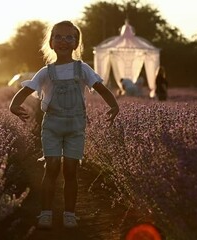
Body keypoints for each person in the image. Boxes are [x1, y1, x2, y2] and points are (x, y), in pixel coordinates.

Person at [9, 20, 119, 229]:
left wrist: (114, 105)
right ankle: (46, 212)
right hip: (52, 125)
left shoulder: (82, 68)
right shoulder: (46, 71)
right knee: (51, 167)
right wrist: (13, 105)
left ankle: (70, 213)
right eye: (58, 36)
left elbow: (100, 88)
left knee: (70, 170)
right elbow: (26, 90)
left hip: (76, 127)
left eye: (69, 37)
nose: (63, 41)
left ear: (76, 43)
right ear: (51, 43)